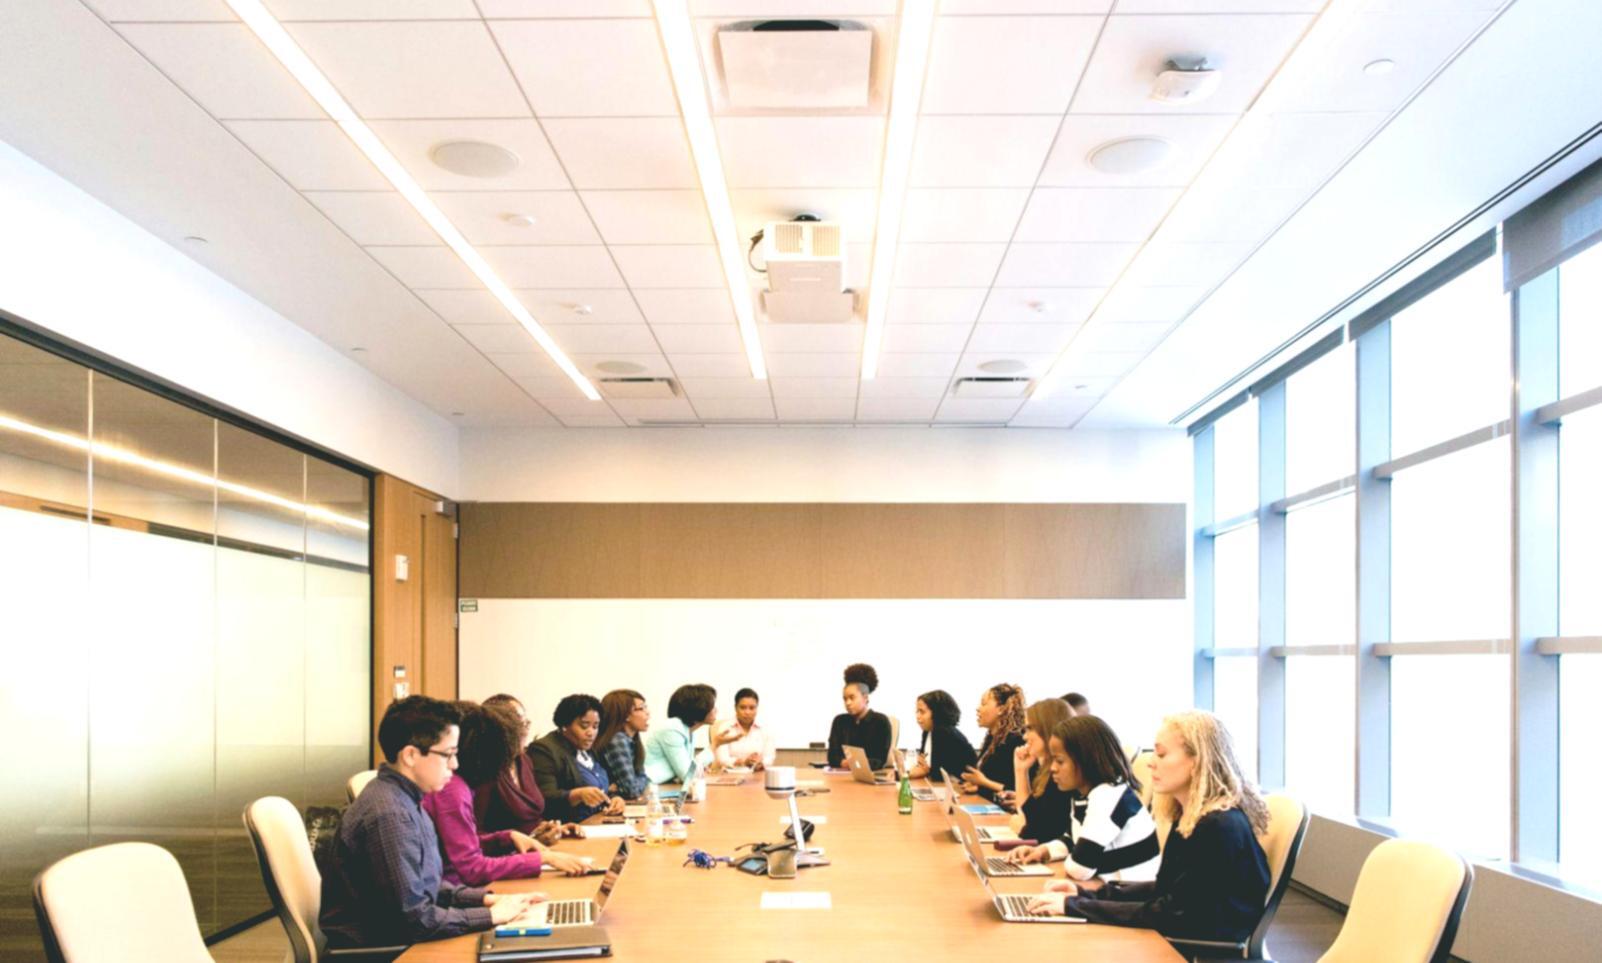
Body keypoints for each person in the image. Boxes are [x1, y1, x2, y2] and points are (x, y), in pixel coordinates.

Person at [1025, 710, 1271, 943]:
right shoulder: (1192, 817)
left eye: (1161, 755)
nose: (1151, 763)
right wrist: (1082, 895)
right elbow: (1166, 891)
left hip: (1190, 951)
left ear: (1196, 762)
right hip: (1178, 940)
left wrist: (1076, 906)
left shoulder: (1218, 827)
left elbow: (1172, 913)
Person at [320, 696, 541, 947]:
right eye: (448, 754)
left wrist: (487, 899)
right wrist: (490, 916)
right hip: (383, 950)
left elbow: (426, 885)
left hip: (401, 938)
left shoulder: (407, 798)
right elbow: (415, 920)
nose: (455, 764)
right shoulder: (390, 815)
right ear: (411, 755)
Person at [423, 702, 590, 886]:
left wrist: (507, 837)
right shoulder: (453, 790)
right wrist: (544, 859)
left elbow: (462, 843)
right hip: (458, 890)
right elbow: (472, 868)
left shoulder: (460, 785)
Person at [1007, 715, 1159, 882]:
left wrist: (1074, 858)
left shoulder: (1107, 796)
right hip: (1108, 886)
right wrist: (1043, 851)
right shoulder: (1083, 794)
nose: (1053, 768)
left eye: (1059, 761)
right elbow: (1072, 838)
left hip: (1130, 891)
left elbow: (1080, 868)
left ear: (1087, 760)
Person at [475, 694, 568, 845]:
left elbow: (531, 819)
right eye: (518, 724)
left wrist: (552, 828)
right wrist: (523, 842)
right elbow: (473, 834)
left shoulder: (523, 760)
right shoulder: (484, 769)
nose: (525, 731)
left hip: (536, 848)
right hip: (506, 855)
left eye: (526, 723)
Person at [528, 694, 626, 822]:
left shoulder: (589, 749)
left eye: (595, 726)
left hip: (597, 821)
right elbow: (544, 798)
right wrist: (576, 795)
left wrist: (614, 798)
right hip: (568, 826)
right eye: (584, 726)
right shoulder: (544, 749)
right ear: (564, 725)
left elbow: (604, 786)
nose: (591, 733)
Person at [1000, 698, 1074, 842]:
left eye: (1029, 729)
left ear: (1047, 729)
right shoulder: (1045, 768)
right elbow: (1028, 815)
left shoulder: (1063, 774)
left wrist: (1023, 829)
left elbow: (1042, 832)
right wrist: (1021, 771)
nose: (1024, 736)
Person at [644, 684, 736, 783]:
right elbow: (688, 775)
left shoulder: (687, 730)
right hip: (649, 787)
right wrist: (715, 744)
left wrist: (699, 768)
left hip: (664, 786)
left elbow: (691, 769)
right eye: (712, 706)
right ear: (699, 707)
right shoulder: (672, 728)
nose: (716, 710)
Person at [961, 683, 1026, 801]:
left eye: (983, 703)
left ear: (1001, 709)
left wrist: (983, 782)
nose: (978, 708)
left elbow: (1017, 789)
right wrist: (978, 786)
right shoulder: (992, 738)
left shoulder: (1016, 741)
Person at [906, 689, 976, 782]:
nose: (918, 716)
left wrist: (922, 771)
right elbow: (923, 764)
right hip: (946, 784)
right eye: (917, 711)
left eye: (922, 712)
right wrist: (910, 772)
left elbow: (938, 774)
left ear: (937, 713)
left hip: (960, 784)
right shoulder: (928, 731)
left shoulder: (943, 732)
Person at [596, 689, 652, 799]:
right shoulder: (617, 740)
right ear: (626, 715)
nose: (648, 713)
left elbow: (639, 778)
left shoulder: (630, 740)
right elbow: (631, 790)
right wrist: (643, 779)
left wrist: (641, 779)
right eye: (641, 708)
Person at [826, 676, 892, 769]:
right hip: (842, 773)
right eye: (845, 699)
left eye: (852, 698)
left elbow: (880, 760)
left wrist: (853, 763)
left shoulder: (881, 722)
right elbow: (832, 757)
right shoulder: (839, 721)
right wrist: (846, 763)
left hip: (871, 774)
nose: (848, 703)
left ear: (865, 698)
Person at [712, 687, 776, 771]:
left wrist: (761, 762)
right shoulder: (725, 728)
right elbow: (722, 759)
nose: (747, 712)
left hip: (757, 773)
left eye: (752, 708)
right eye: (743, 707)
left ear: (757, 708)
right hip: (731, 774)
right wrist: (743, 762)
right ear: (735, 708)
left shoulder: (765, 729)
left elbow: (770, 757)